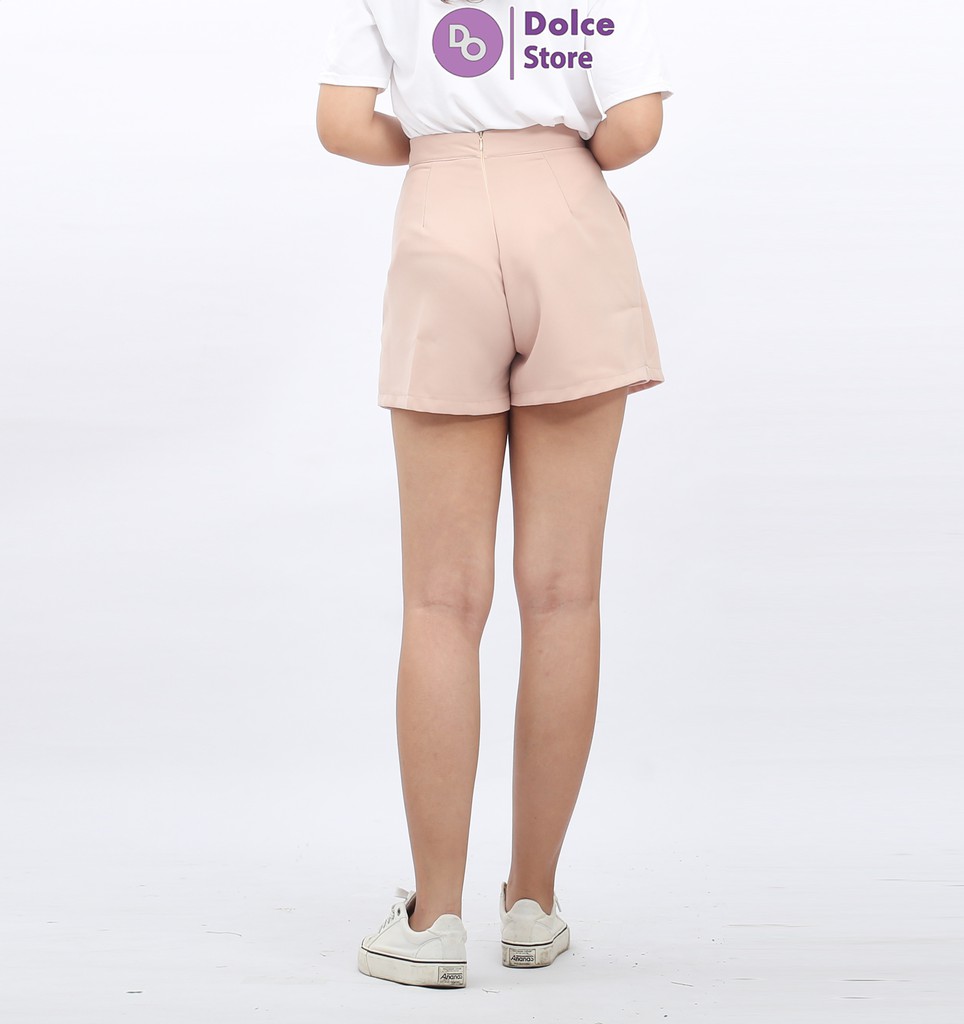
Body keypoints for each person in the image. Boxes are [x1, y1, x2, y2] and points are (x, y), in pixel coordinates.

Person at [315, 0, 673, 989]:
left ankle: (433, 920)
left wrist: (446, 146)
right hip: (569, 218)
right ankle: (532, 904)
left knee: (440, 600)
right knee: (564, 593)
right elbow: (637, 125)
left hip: (440, 222)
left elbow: (341, 123)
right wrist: (549, 151)